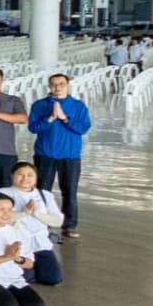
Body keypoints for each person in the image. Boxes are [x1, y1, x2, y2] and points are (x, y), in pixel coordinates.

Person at [27, 73, 90, 239]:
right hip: (45, 154)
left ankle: (70, 225)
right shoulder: (40, 105)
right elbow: (33, 128)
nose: (58, 87)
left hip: (70, 155)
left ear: (68, 85)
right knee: (42, 191)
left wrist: (64, 118)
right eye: (54, 84)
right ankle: (42, 223)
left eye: (61, 84)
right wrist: (51, 118)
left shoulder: (78, 106)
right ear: (49, 87)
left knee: (69, 191)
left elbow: (83, 128)